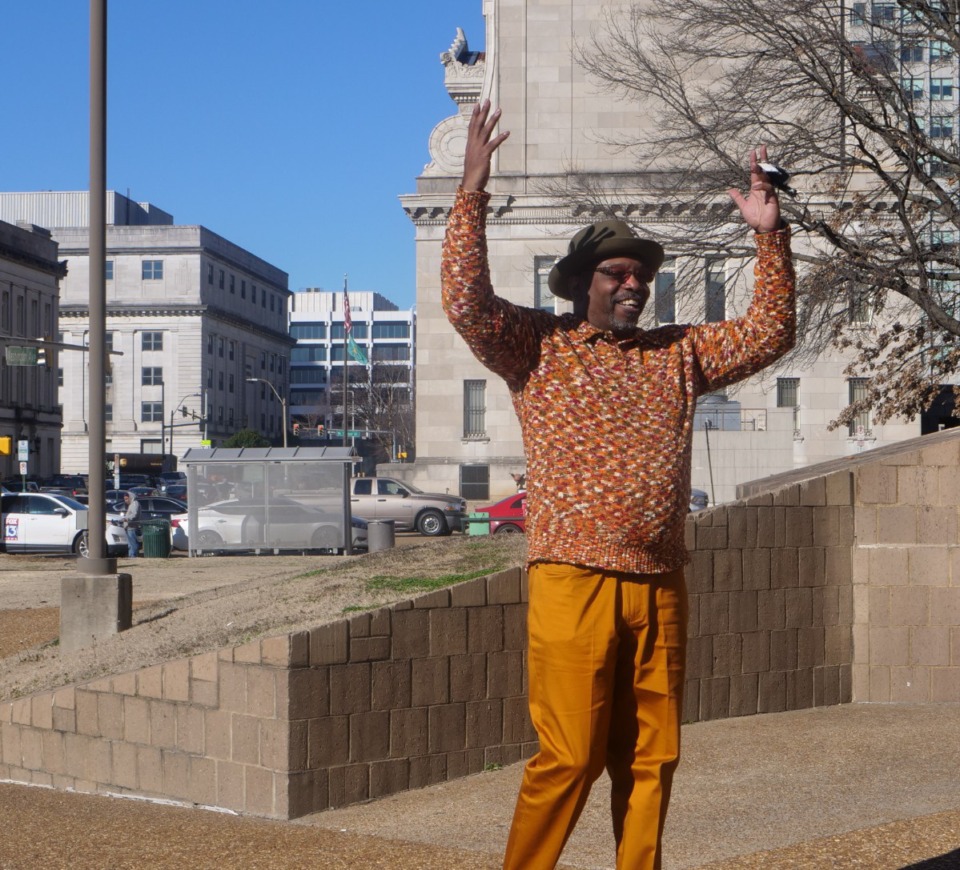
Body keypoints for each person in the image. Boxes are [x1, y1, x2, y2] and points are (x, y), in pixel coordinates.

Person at [441, 100, 796, 870]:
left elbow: (771, 333)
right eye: (617, 272)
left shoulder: (678, 353)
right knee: (568, 758)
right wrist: (470, 192)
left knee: (652, 760)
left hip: (662, 582)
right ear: (581, 282)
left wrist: (769, 239)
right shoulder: (539, 344)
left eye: (642, 274)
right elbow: (466, 303)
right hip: (573, 578)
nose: (634, 285)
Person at [122, 492, 141, 558]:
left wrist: (127, 519)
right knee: (130, 544)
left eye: (127, 499)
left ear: (131, 497)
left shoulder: (135, 504)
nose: (125, 501)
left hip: (132, 527)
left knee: (133, 544)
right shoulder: (131, 504)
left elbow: (134, 514)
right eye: (124, 499)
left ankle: (133, 556)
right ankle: (131, 556)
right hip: (129, 527)